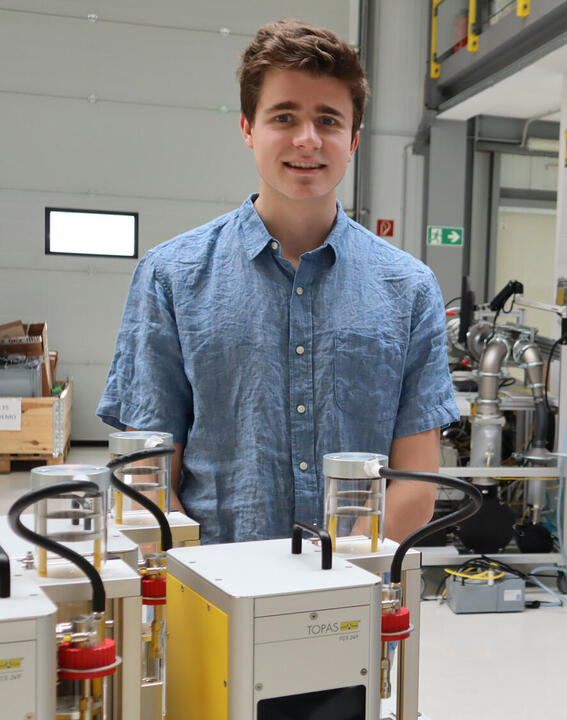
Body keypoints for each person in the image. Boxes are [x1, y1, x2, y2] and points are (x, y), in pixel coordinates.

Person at [97, 19, 457, 544]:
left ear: (353, 139)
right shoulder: (172, 276)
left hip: (352, 600)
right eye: (284, 116)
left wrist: (330, 585)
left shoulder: (409, 288)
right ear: (248, 128)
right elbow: (148, 476)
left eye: (328, 120)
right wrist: (206, 581)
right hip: (212, 594)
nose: (307, 139)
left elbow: (415, 484)